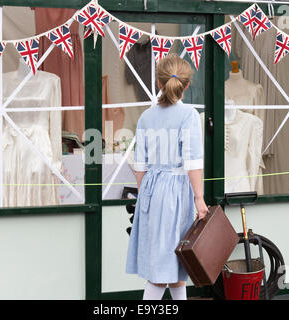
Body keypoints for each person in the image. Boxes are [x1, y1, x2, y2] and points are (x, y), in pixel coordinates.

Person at [126, 54, 208, 300]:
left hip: (151, 188)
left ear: (159, 83)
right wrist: (199, 198)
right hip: (176, 191)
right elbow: (193, 161)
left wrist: (145, 196)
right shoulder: (189, 115)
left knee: (175, 265)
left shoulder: (146, 116)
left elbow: (140, 163)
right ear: (187, 85)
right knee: (163, 270)